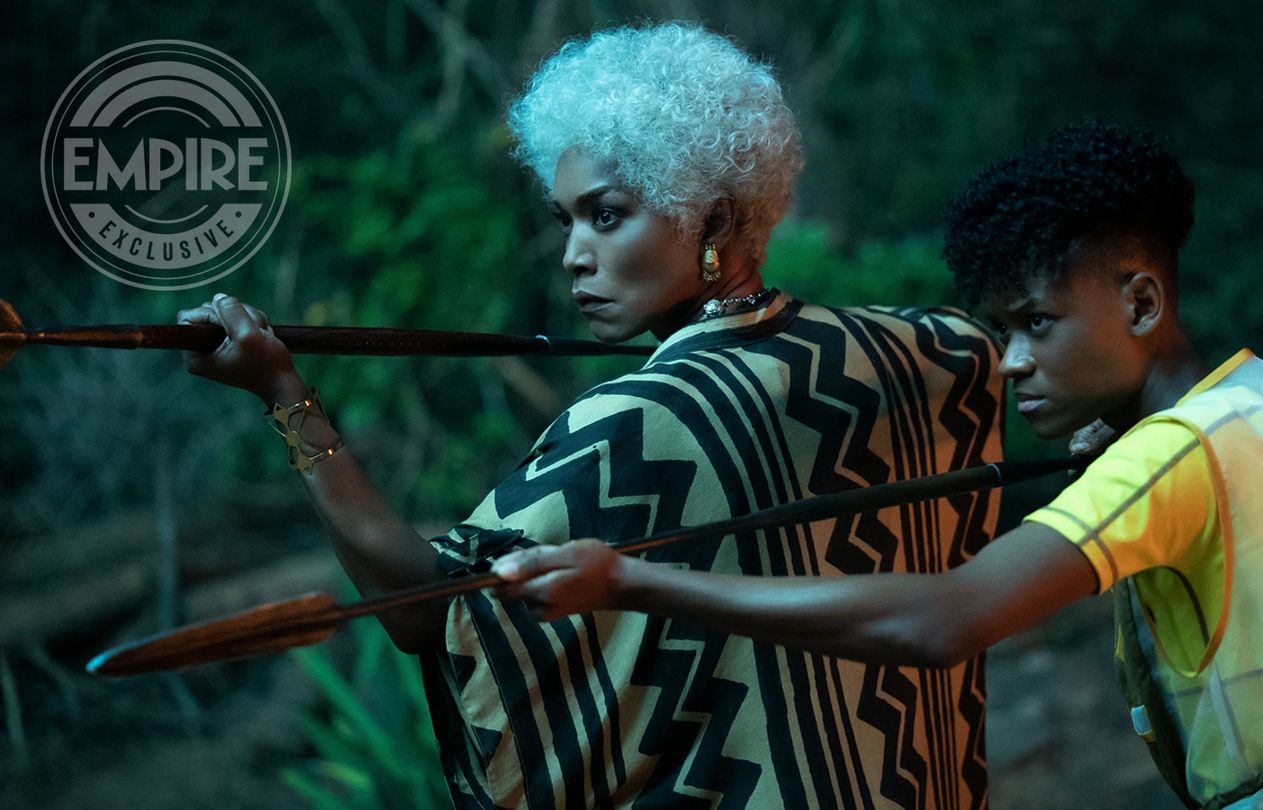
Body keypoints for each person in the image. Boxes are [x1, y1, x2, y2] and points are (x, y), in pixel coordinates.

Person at [491, 119, 1263, 808]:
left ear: (1142, 304)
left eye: (1039, 323)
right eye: (1001, 330)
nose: (1012, 361)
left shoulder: (1169, 457)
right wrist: (1145, 419)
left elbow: (943, 619)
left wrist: (634, 580)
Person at [179, 23, 1004, 809]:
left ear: (713, 218)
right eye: (566, 219)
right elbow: (979, 355)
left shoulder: (641, 422)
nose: (575, 255)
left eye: (606, 215)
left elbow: (430, 609)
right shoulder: (923, 351)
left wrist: (285, 397)